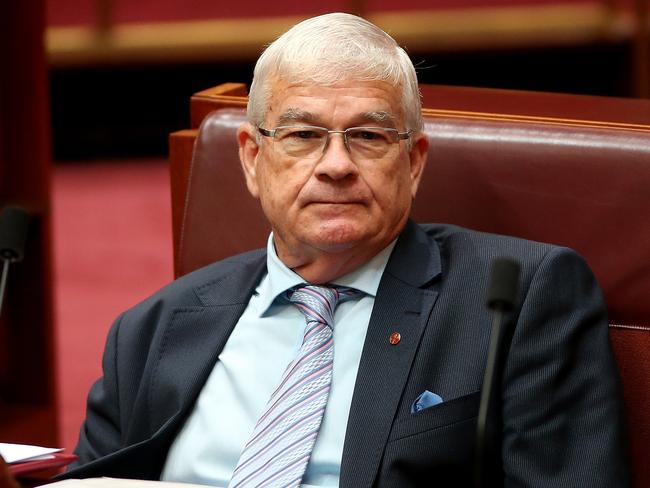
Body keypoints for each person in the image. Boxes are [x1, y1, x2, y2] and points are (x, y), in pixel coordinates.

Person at [62, 12, 629, 487]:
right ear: (253, 159)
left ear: (413, 162)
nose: (336, 166)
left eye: (369, 136)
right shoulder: (152, 329)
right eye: (303, 136)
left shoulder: (517, 300)